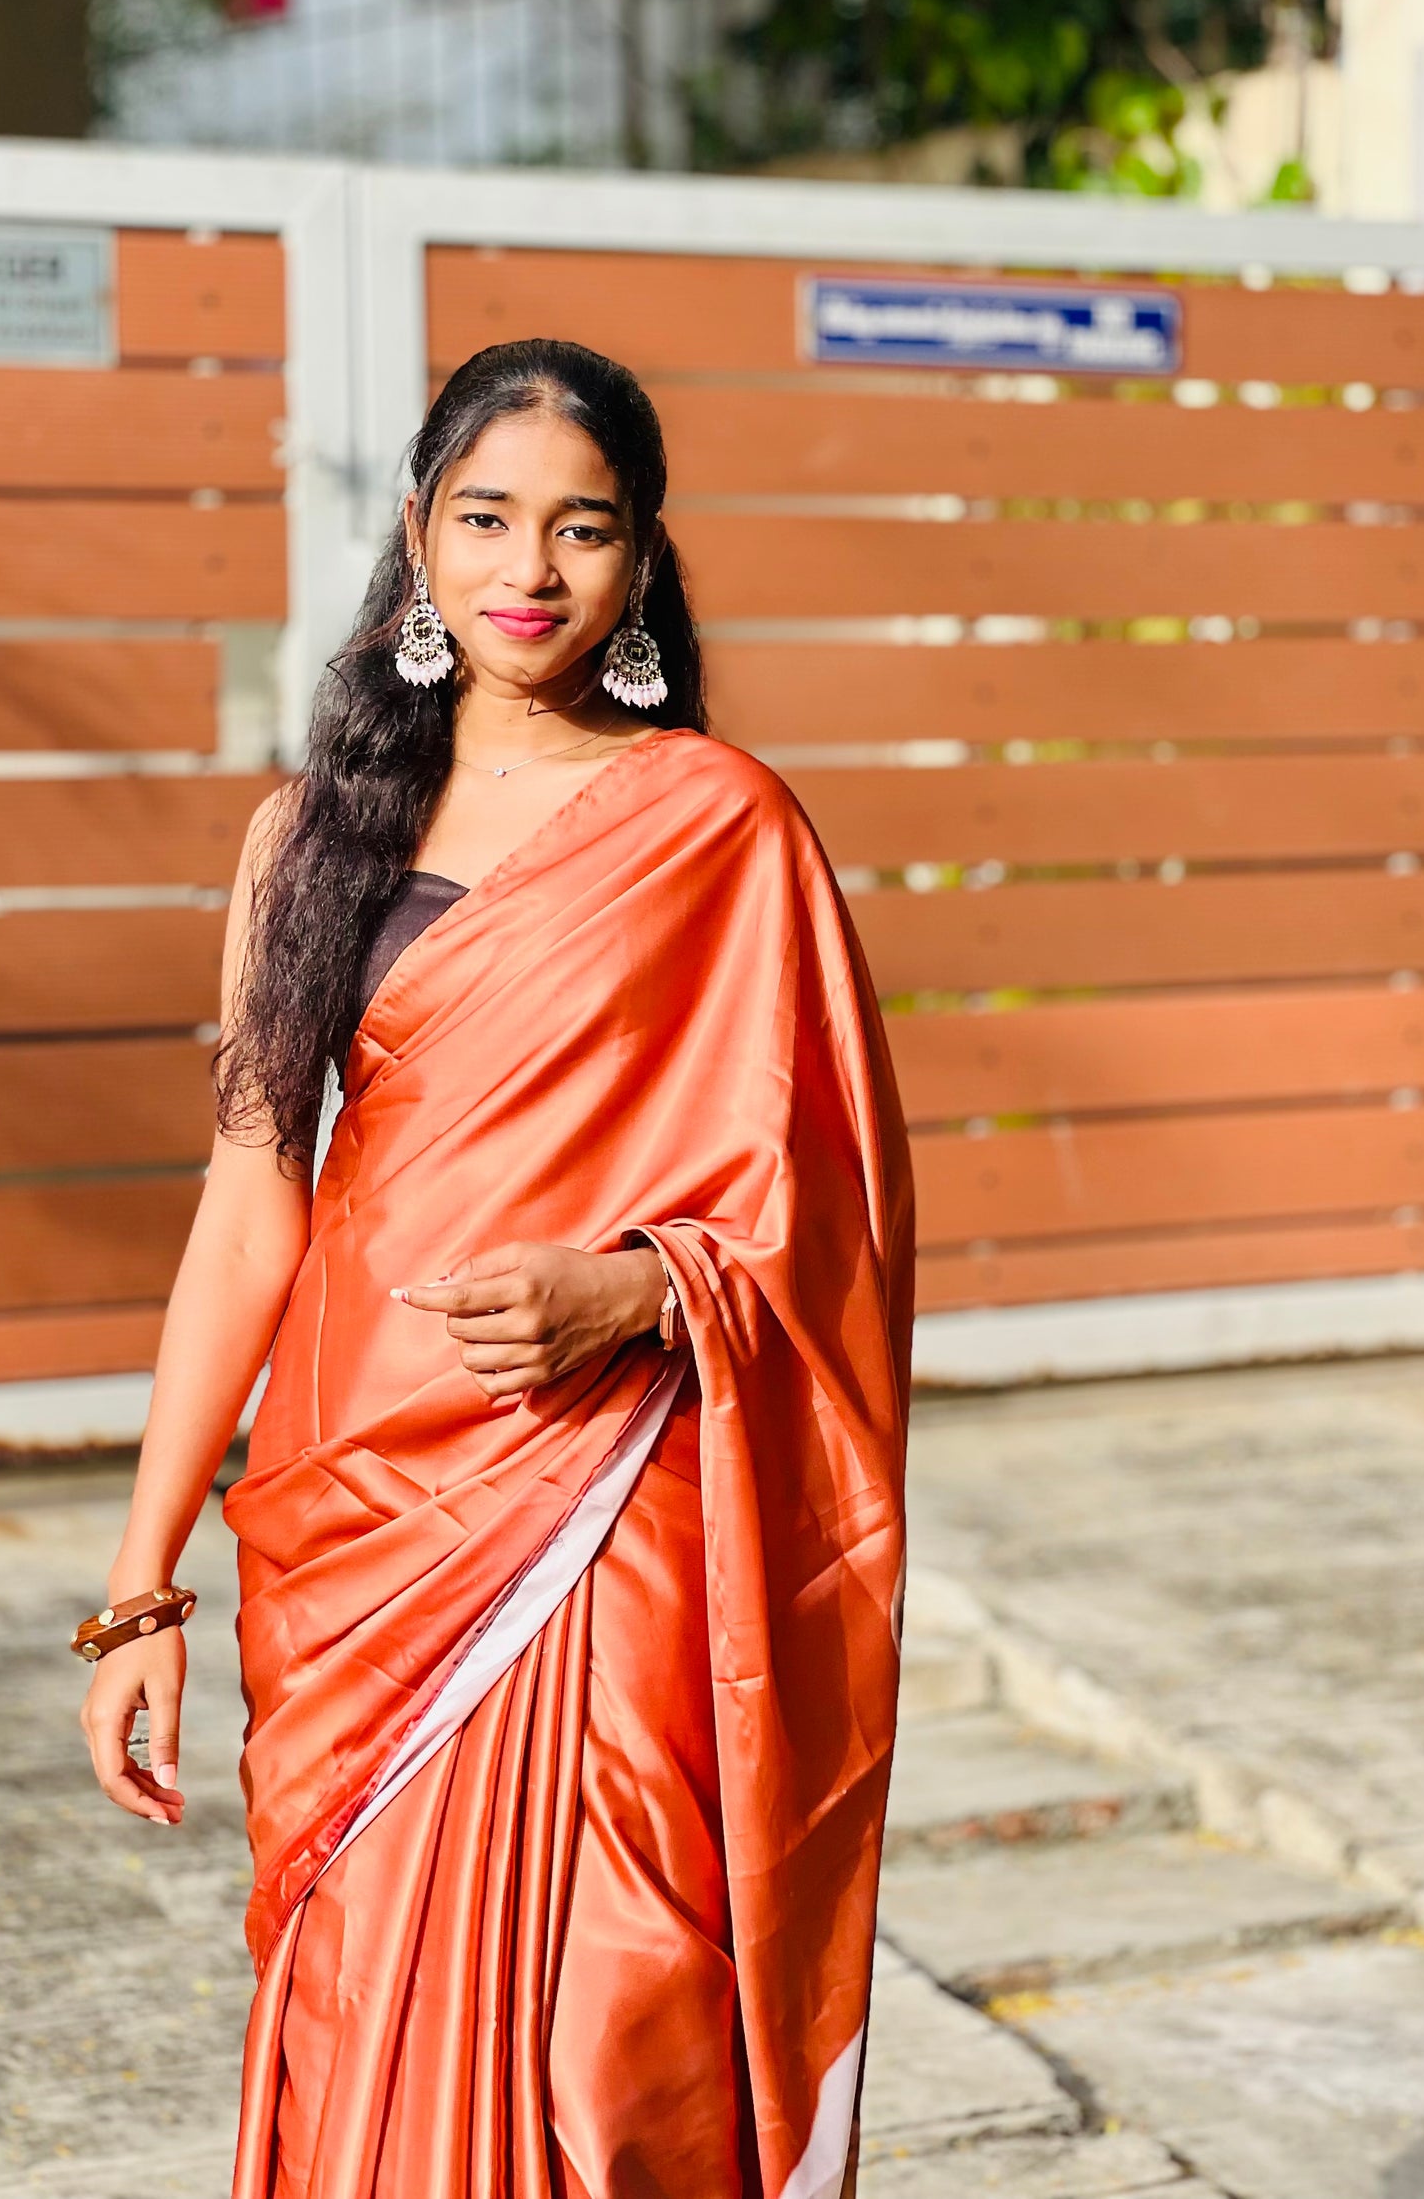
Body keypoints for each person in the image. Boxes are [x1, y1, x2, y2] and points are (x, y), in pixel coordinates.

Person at [77, 337, 915, 2199]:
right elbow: (247, 1210)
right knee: (366, 2004)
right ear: (416, 537)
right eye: (485, 517)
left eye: (582, 528)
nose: (528, 567)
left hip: (608, 1515)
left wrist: (637, 1292)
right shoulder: (305, 840)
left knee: (615, 2022)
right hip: (355, 1520)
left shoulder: (716, 826)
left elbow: (828, 1206)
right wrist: (141, 1592)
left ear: (642, 561)